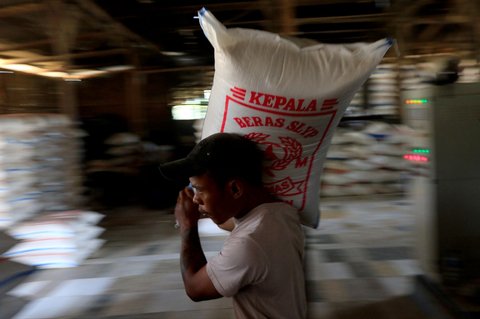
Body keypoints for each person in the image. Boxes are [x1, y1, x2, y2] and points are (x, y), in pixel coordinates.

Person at [159, 132, 306, 319]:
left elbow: (195, 288)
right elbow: (234, 223)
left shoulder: (249, 244)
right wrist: (206, 211)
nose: (195, 199)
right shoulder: (282, 213)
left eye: (199, 190)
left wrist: (187, 224)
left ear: (235, 189)